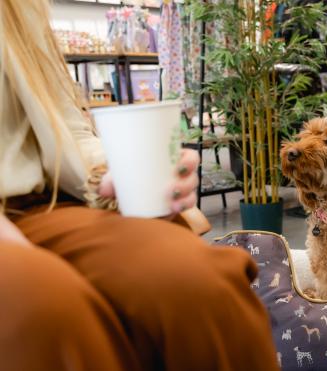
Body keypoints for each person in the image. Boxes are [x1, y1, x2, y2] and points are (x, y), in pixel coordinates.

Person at [0, 0, 279, 370]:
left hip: (40, 202)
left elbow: (64, 123)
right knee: (45, 307)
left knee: (197, 282)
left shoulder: (20, 8)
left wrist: (113, 169)